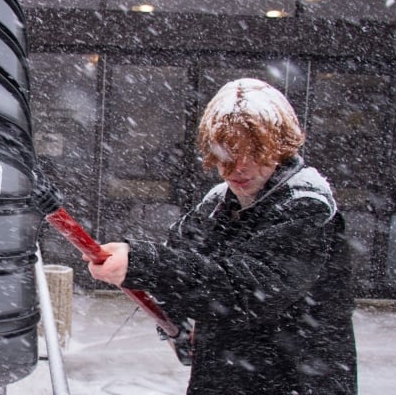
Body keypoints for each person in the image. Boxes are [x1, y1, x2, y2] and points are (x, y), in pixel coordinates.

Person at [87, 78, 357, 394]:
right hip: (225, 379)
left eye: (254, 152)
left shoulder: (306, 206)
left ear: (281, 146)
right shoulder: (217, 204)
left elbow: (246, 291)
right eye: (227, 153)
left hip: (294, 381)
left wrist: (145, 263)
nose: (238, 167)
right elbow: (183, 270)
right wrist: (180, 325)